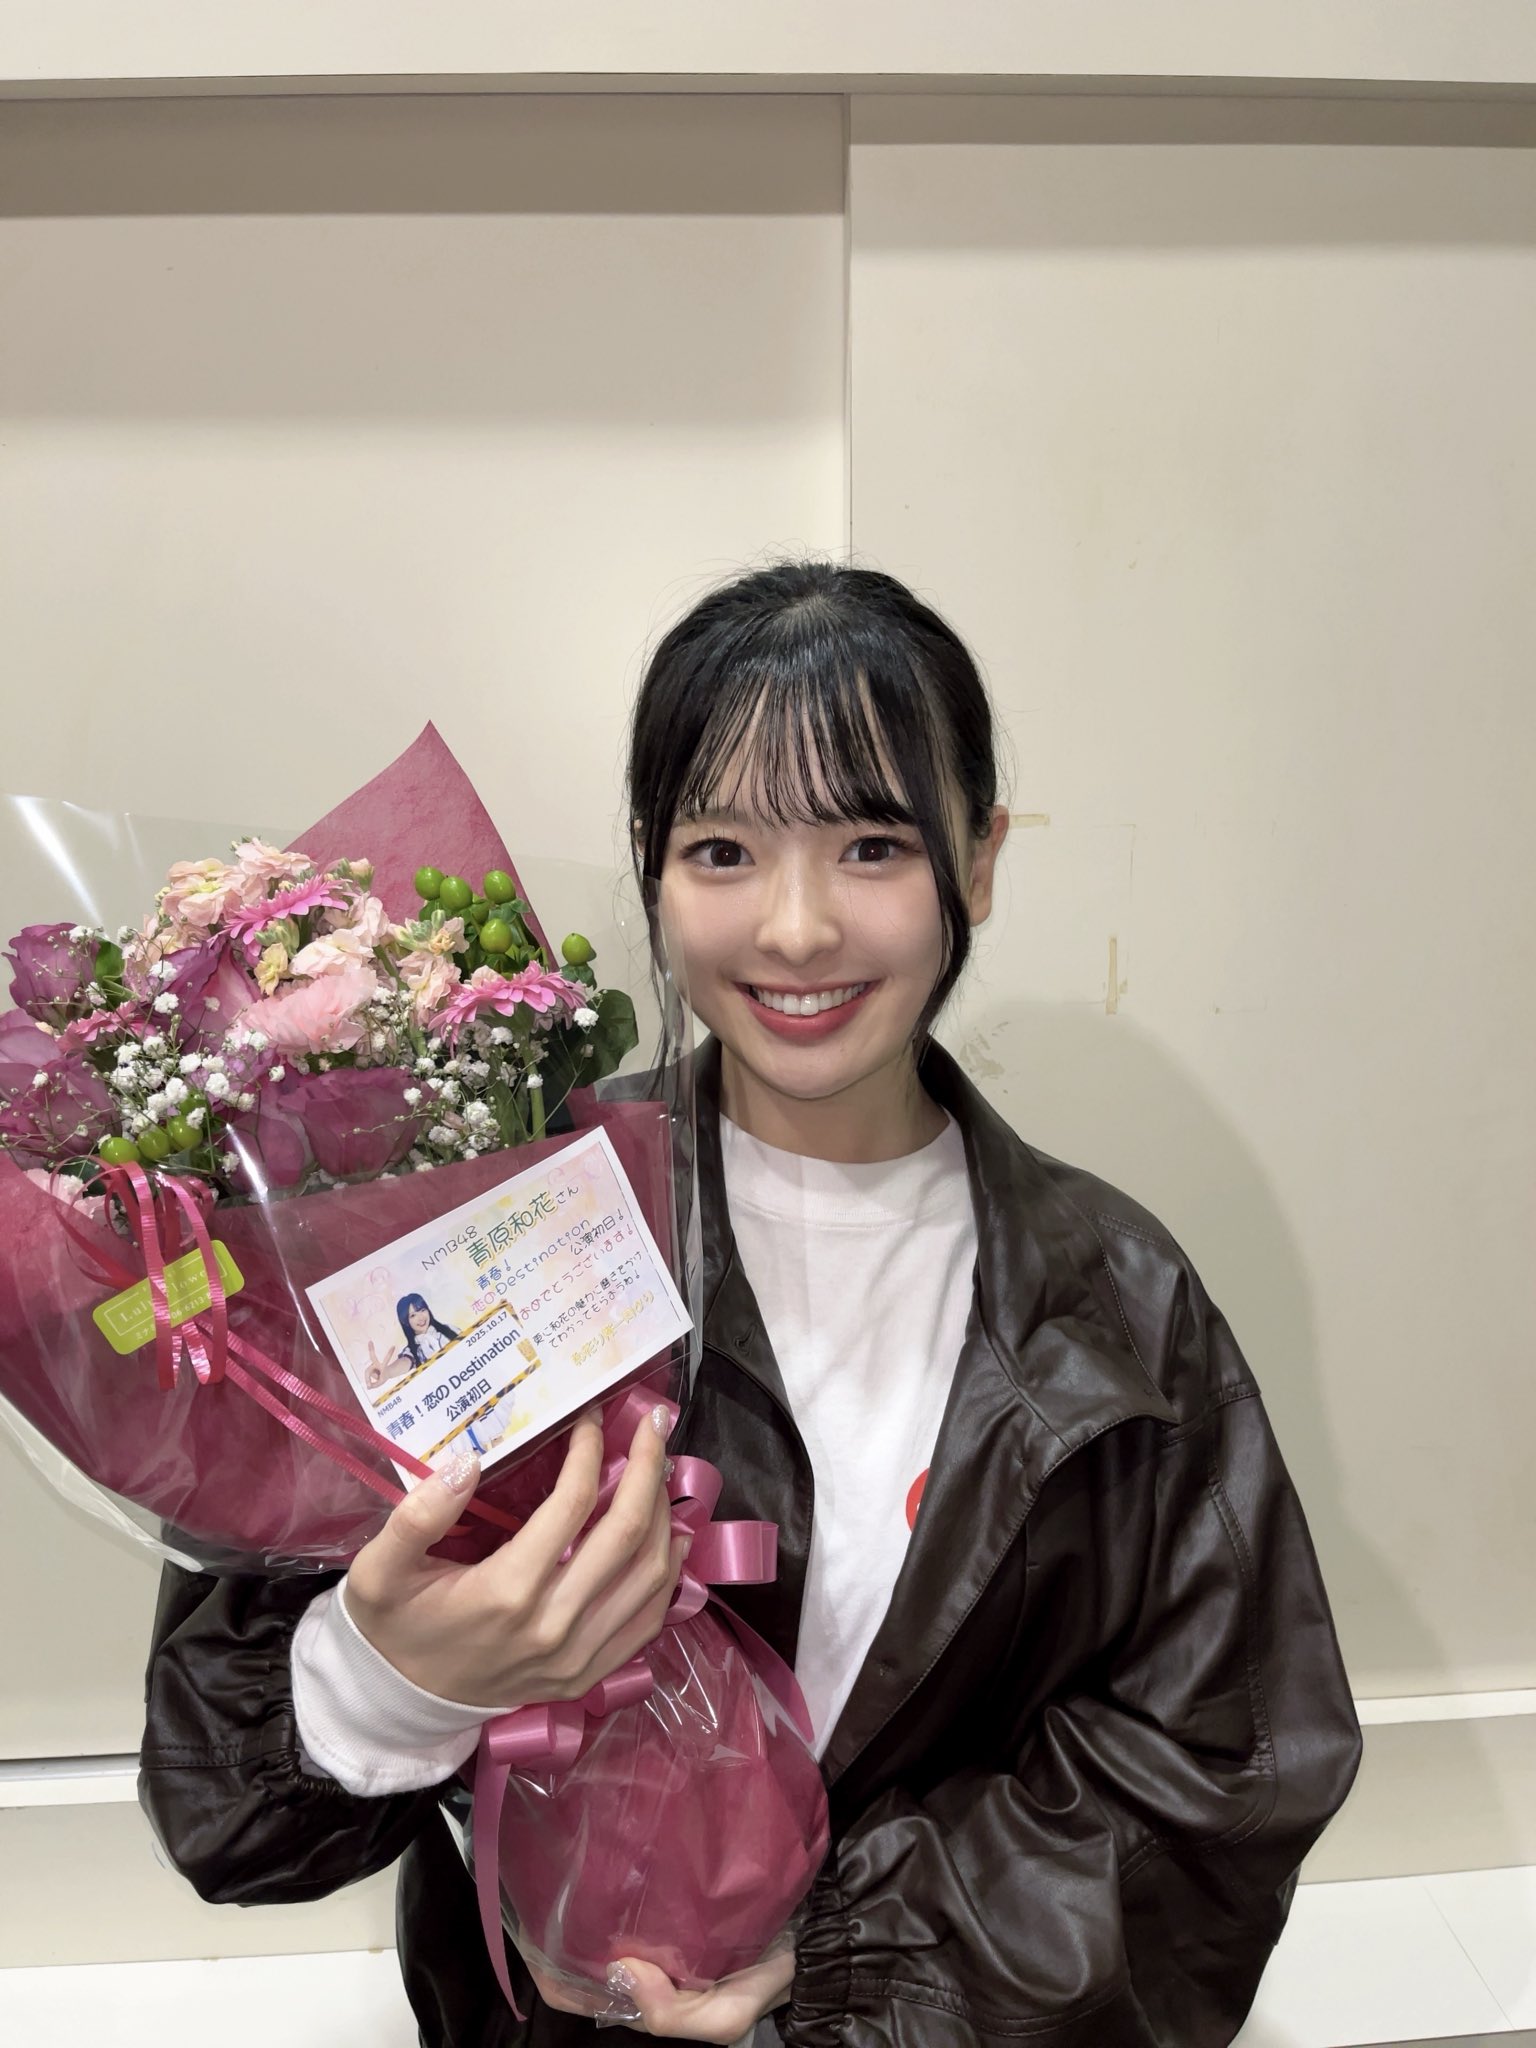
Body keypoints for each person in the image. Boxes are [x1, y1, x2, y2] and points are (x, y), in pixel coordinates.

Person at [139, 560, 1362, 2045]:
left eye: (871, 846)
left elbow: (1218, 1774)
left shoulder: (1117, 1299)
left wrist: (849, 1966)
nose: (794, 929)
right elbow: (226, 1805)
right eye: (721, 849)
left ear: (978, 860)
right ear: (652, 868)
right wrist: (392, 1678)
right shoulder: (480, 1221)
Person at [364, 1292, 460, 1389]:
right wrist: (388, 1372)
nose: (421, 1318)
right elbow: (405, 1362)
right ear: (405, 1321)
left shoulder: (449, 1329)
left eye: (422, 1310)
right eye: (413, 1315)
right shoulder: (413, 1351)